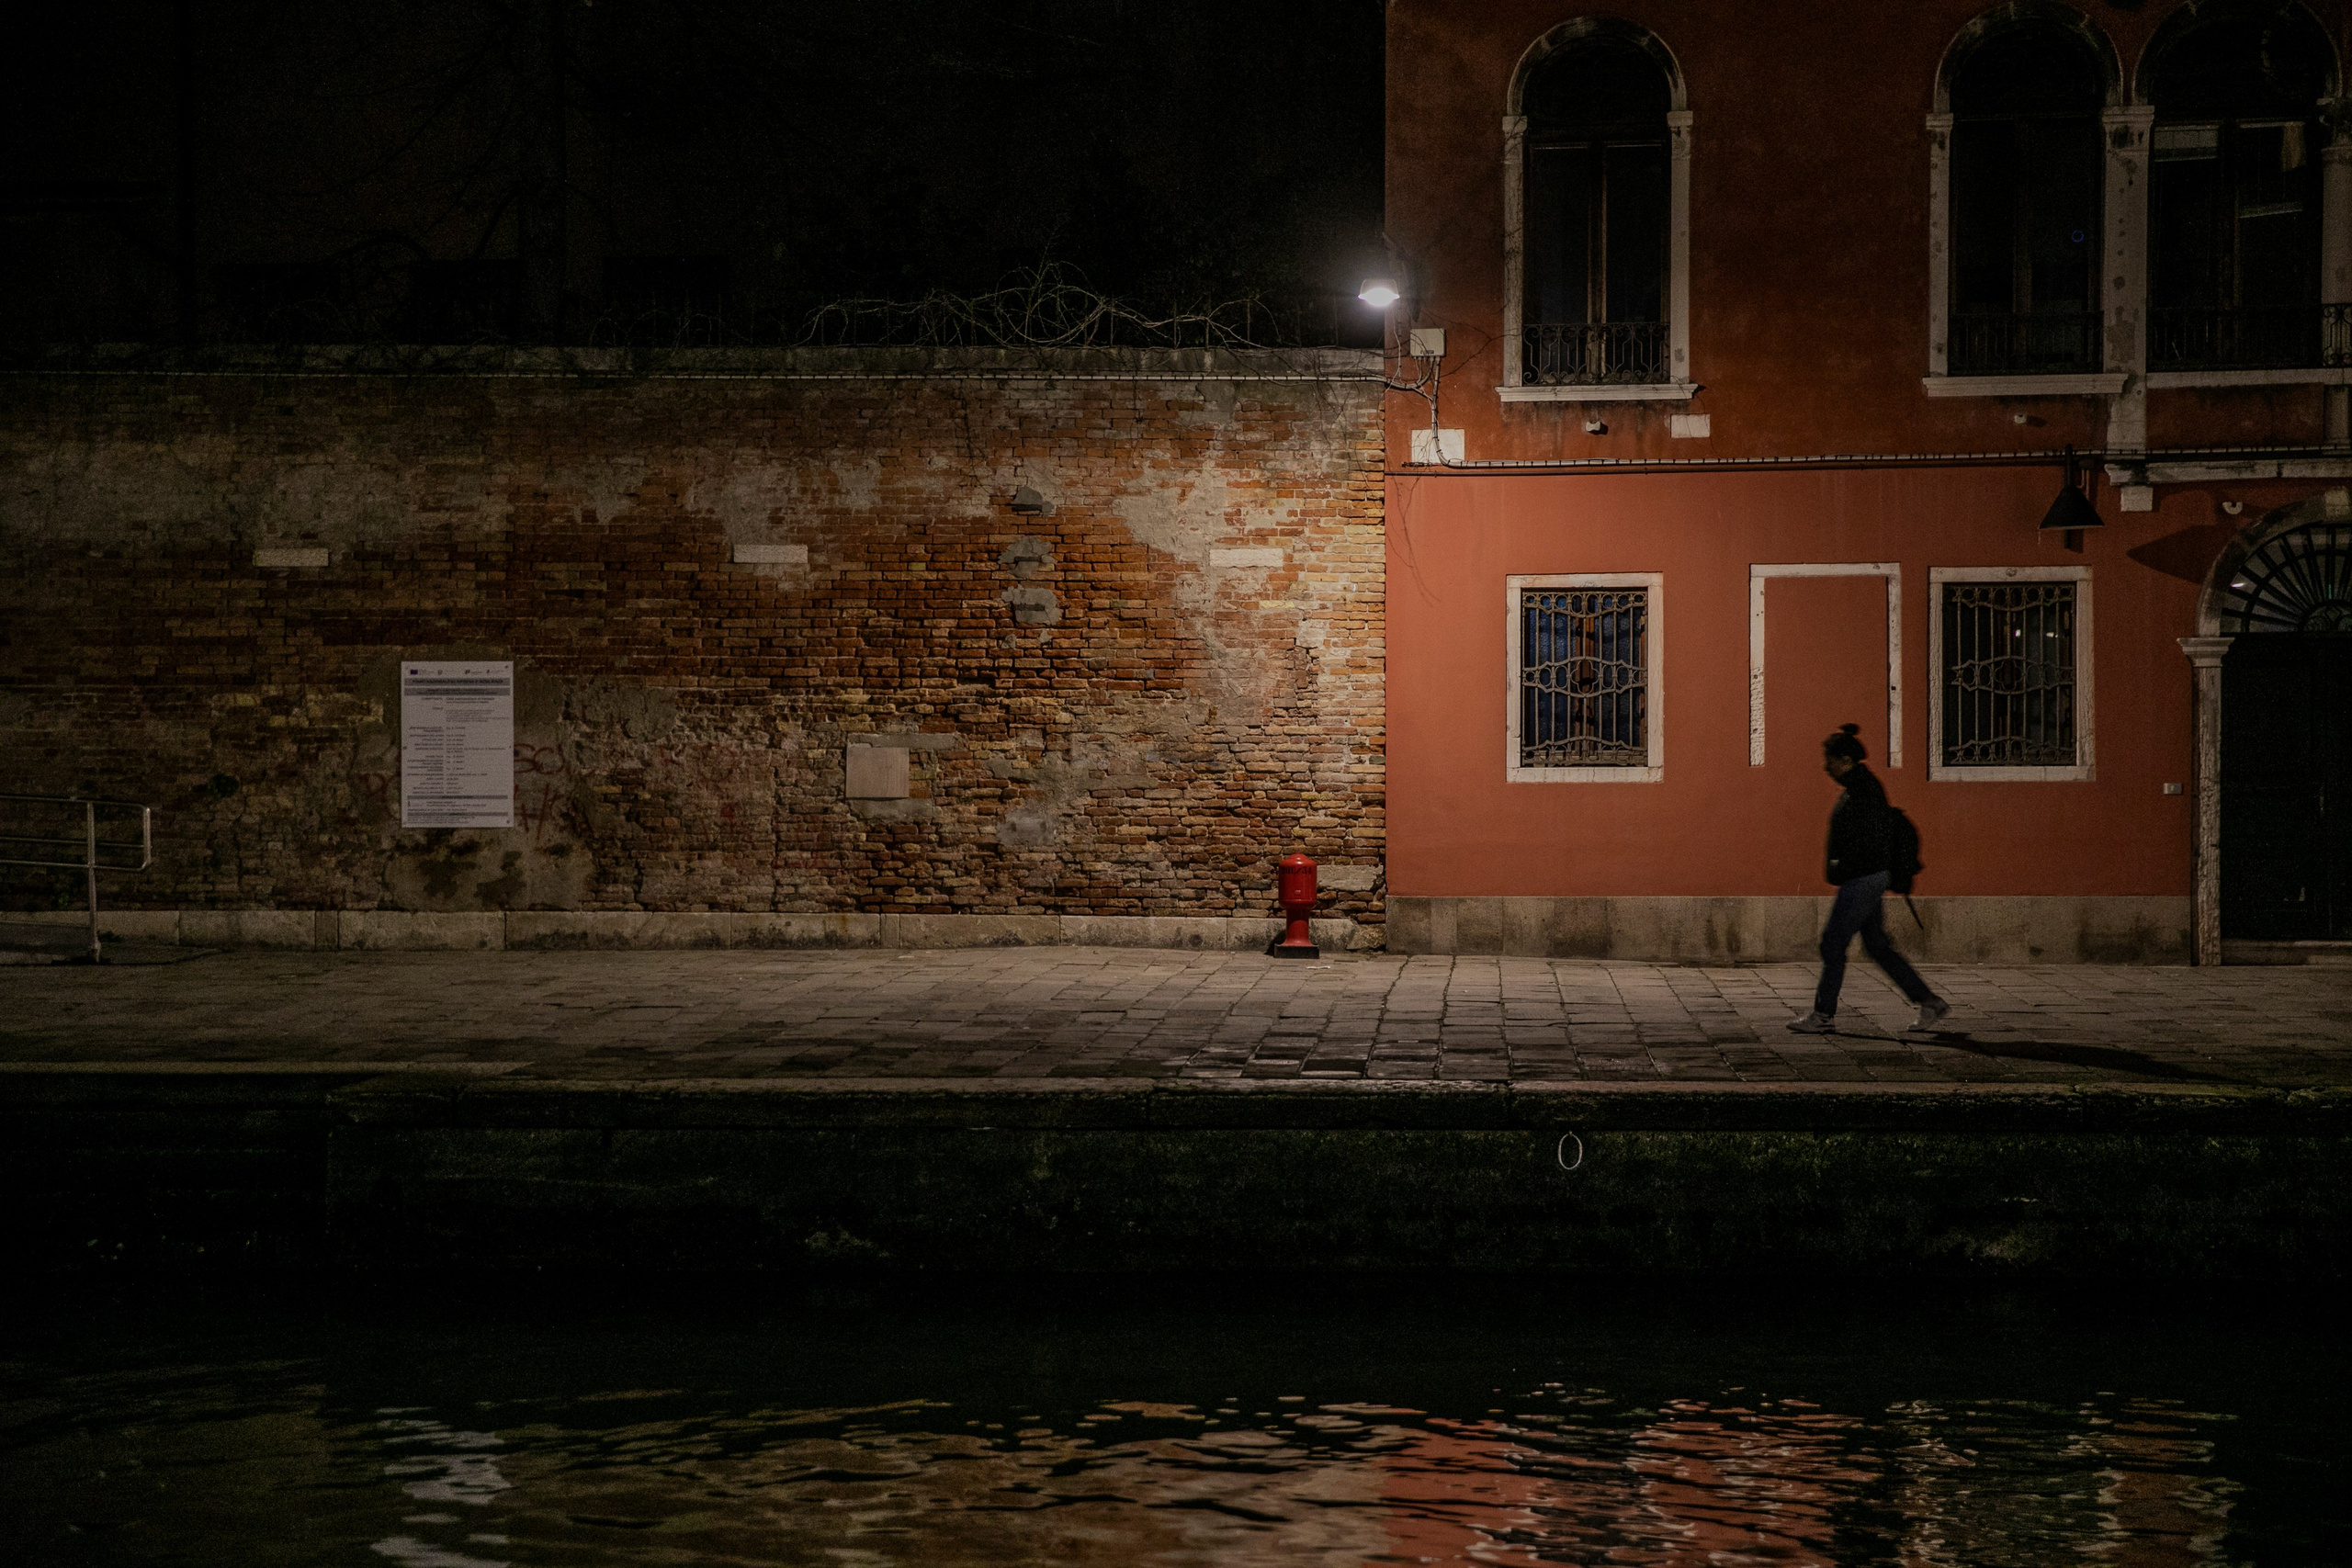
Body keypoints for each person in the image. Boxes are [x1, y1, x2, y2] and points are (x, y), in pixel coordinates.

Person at [1788, 724, 1951, 1034]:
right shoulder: (1862, 787)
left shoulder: (1864, 792)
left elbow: (1868, 843)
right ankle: (1929, 1002)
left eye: (1830, 760)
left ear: (1846, 759)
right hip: (1867, 879)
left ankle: (1823, 1015)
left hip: (1862, 881)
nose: (1826, 767)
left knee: (1832, 944)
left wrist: (1844, 868)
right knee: (1877, 947)